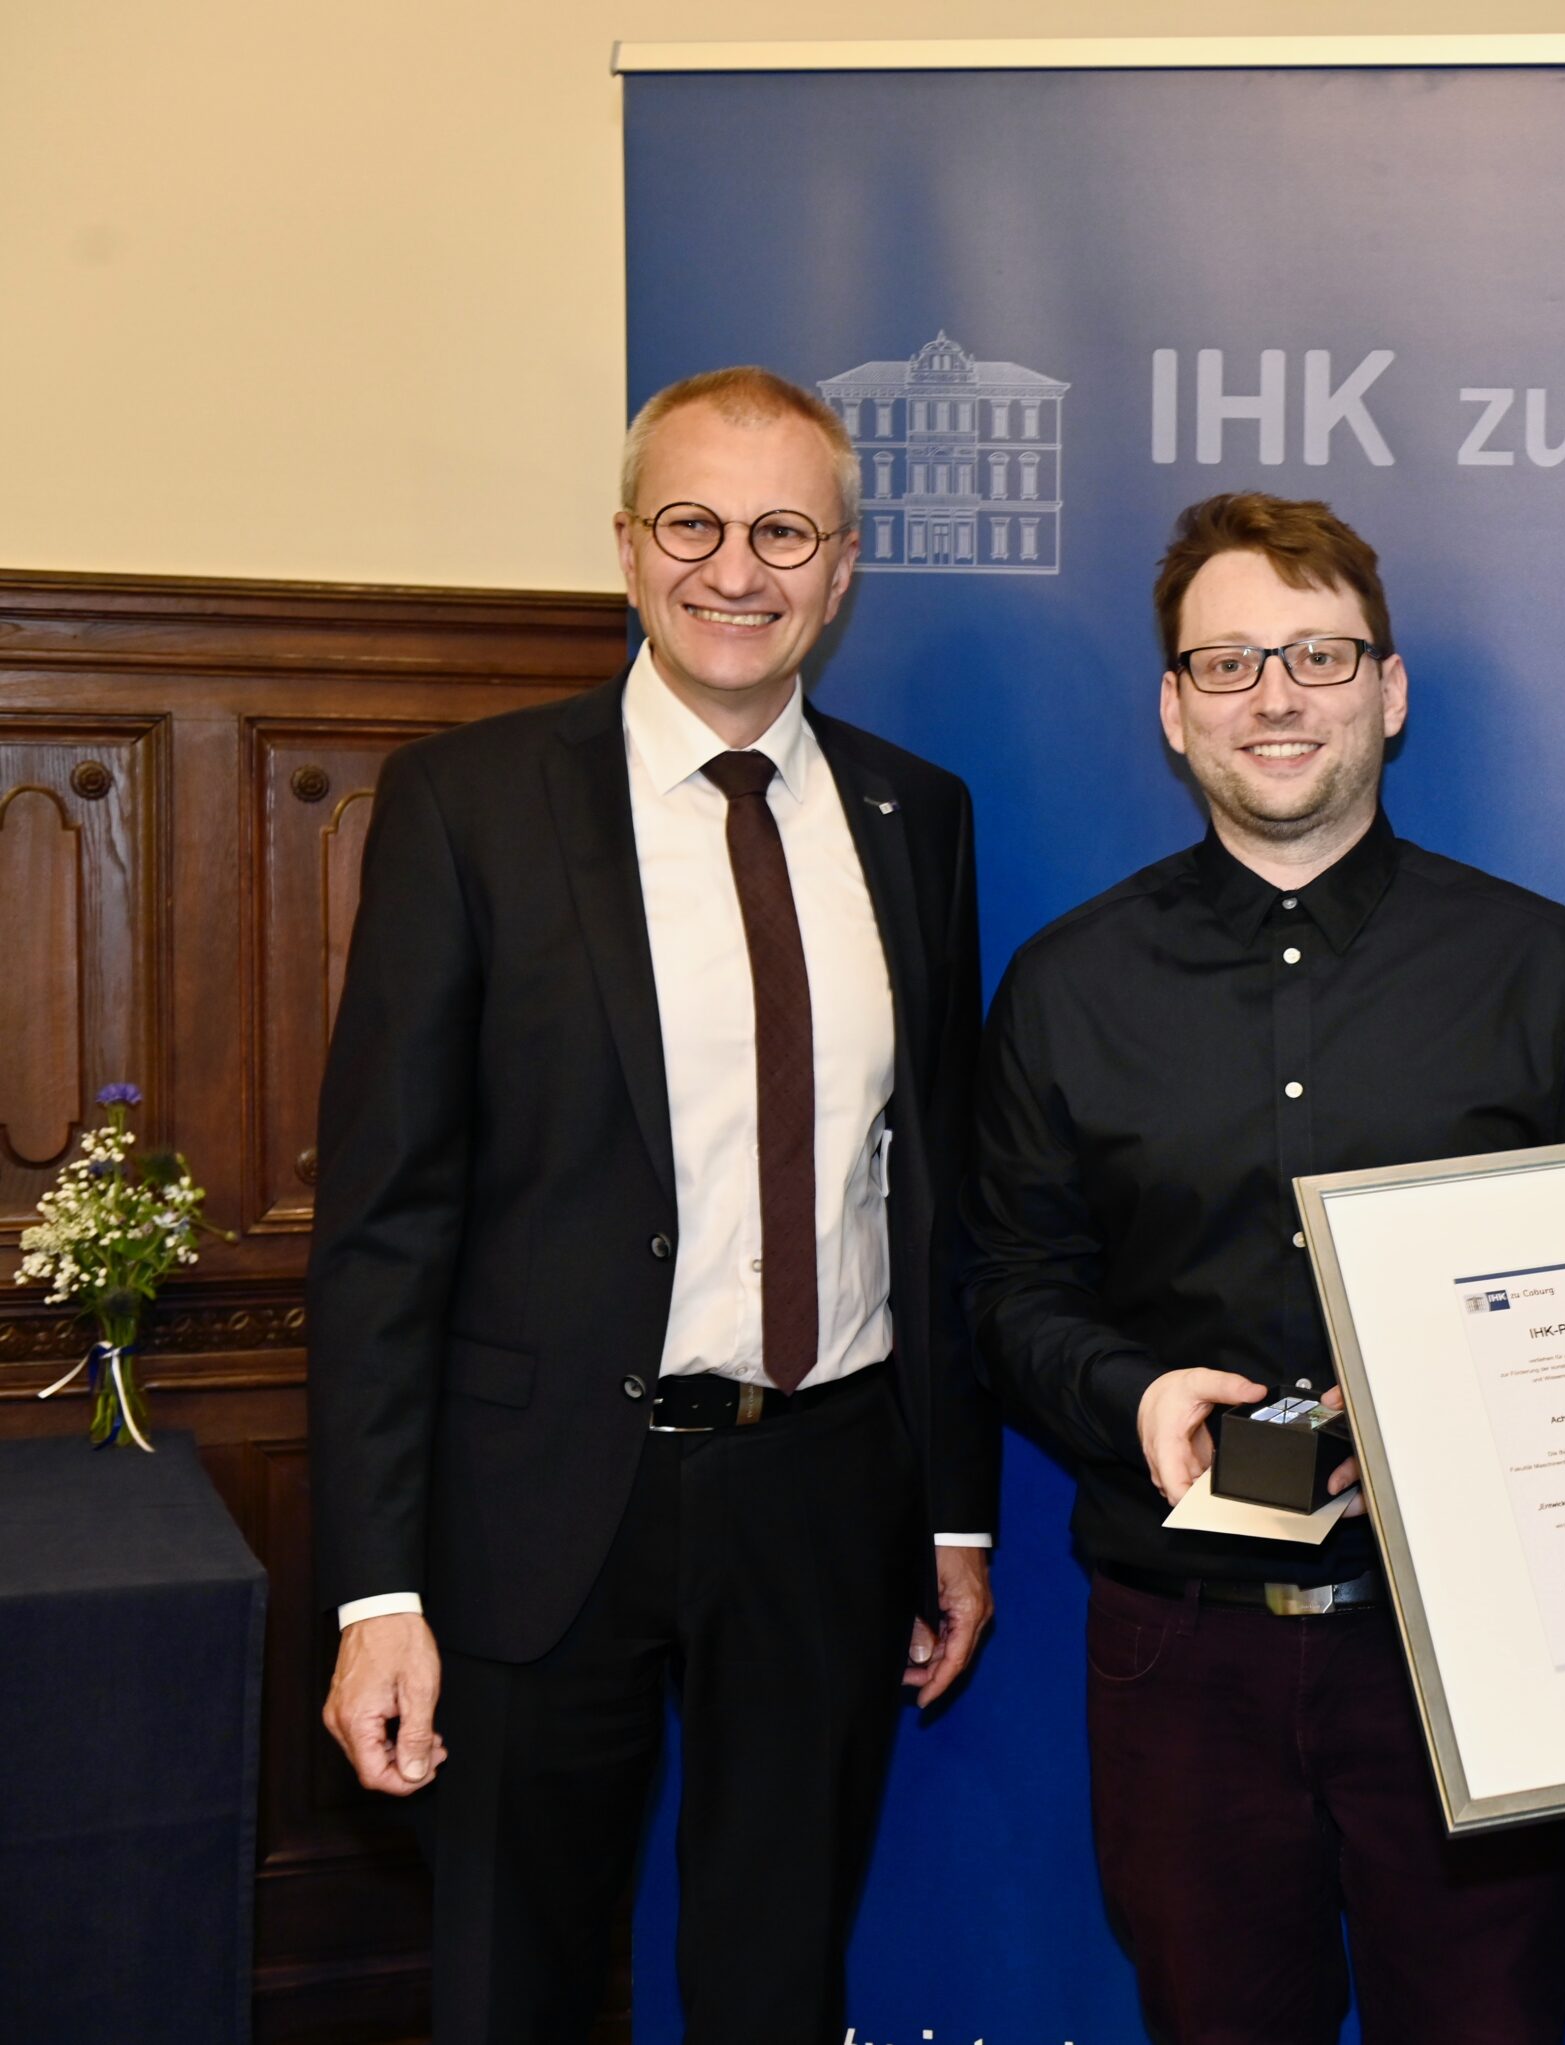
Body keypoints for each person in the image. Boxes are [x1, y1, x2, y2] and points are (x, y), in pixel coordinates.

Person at [307, 366, 999, 2044]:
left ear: (842, 568)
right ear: (626, 549)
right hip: (538, 1505)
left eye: (783, 530)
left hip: (823, 1490)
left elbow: (939, 1193)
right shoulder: (469, 806)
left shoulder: (916, 817)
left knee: (778, 1976)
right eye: (691, 522)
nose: (733, 569)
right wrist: (374, 1590)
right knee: (516, 1979)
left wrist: (953, 1511)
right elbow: (387, 1220)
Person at [966, 492, 1565, 2043]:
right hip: (1179, 1651)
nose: (1275, 696)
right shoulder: (1067, 984)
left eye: (1319, 655)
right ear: (1173, 708)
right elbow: (1007, 1285)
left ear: (1388, 693)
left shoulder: (1537, 964)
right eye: (1229, 662)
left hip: (1462, 1648)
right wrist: (1129, 1392)